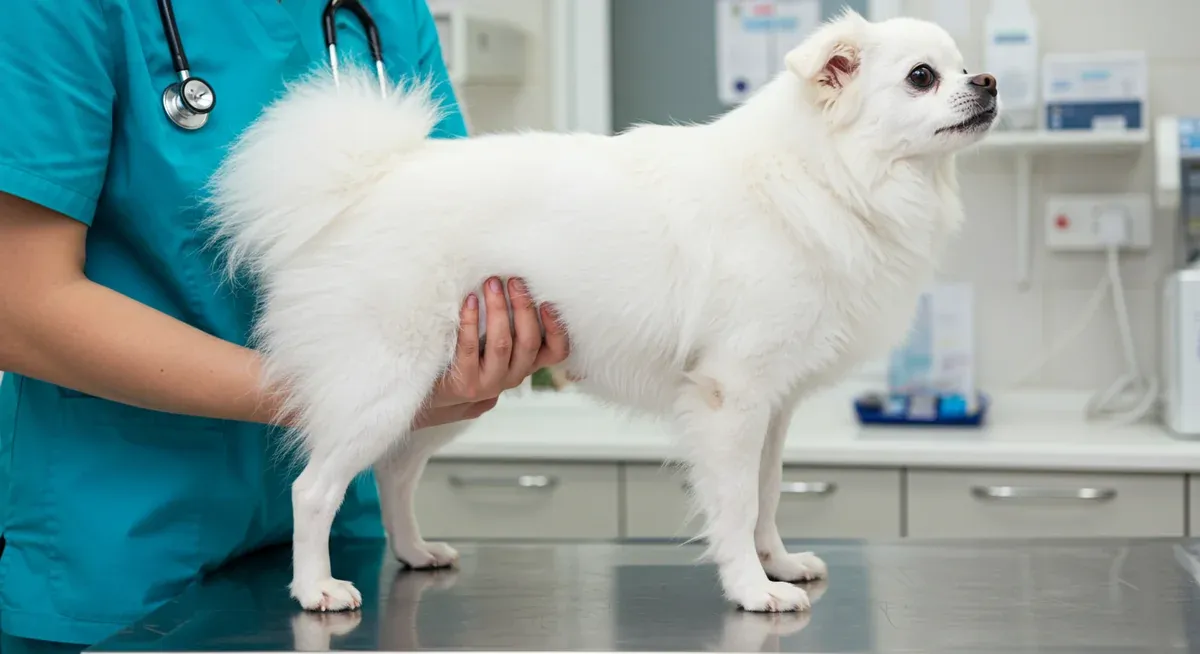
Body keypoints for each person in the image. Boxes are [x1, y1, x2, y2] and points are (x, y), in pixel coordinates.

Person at [0, 1, 569, 647]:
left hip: (341, 551)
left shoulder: (386, 10)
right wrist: (350, 397)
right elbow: (18, 308)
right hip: (123, 544)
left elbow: (451, 236)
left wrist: (468, 350)